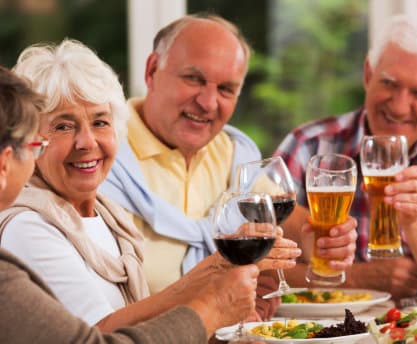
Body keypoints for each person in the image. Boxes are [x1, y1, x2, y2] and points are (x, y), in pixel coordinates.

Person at [0, 38, 293, 332]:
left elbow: (149, 327)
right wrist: (214, 278)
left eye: (100, 122)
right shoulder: (28, 227)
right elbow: (100, 335)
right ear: (32, 140)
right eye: (63, 126)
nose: (87, 142)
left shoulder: (108, 215)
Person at [99, 13, 358, 304]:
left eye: (225, 89)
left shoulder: (232, 151)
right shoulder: (101, 154)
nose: (208, 103)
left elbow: (286, 221)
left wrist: (322, 243)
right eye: (193, 79)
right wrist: (218, 296)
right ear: (151, 71)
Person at [275, 12, 417, 300]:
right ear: (368, 75)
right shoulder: (307, 145)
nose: (400, 106)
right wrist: (357, 278)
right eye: (389, 83)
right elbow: (261, 269)